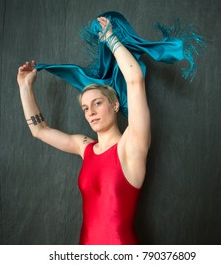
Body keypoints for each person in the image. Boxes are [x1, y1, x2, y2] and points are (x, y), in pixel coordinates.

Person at [17, 17, 150, 245]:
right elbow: (39, 130)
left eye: (97, 103)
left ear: (115, 104)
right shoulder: (84, 146)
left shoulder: (131, 144)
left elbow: (135, 80)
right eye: (85, 108)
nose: (90, 112)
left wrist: (110, 38)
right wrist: (25, 87)